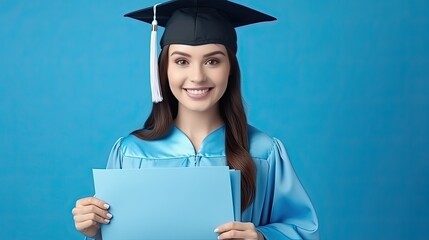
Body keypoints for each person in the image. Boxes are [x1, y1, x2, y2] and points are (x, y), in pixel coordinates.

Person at [72, 0, 319, 239]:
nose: (197, 76)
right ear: (164, 69)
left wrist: (262, 238)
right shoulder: (131, 153)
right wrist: (97, 232)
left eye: (213, 61)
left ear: (230, 68)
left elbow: (303, 230)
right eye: (181, 61)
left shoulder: (264, 152)